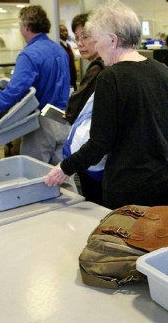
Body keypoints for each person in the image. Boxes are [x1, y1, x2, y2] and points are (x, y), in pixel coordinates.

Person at [45, 0, 168, 210]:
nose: (97, 50)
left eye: (97, 42)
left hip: (131, 185)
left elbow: (100, 142)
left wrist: (65, 167)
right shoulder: (162, 70)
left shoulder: (111, 78)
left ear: (112, 40)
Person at [0, 5, 71, 165]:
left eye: (20, 25)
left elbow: (14, 91)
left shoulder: (29, 54)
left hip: (42, 121)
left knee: (35, 175)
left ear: (26, 27)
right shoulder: (59, 50)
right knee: (62, 176)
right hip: (62, 117)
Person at [63, 13, 106, 205]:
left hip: (96, 152)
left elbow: (74, 110)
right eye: (77, 37)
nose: (80, 43)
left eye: (85, 37)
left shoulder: (99, 69)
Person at [59, 23, 78, 91]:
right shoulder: (59, 46)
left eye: (66, 30)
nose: (65, 32)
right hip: (66, 80)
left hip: (73, 79)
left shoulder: (68, 46)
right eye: (62, 31)